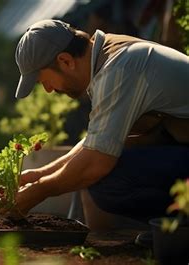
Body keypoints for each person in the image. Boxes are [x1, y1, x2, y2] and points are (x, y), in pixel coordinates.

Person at [10, 19, 189, 230]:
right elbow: (95, 143)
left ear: (66, 61)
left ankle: (175, 231)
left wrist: (38, 191)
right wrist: (38, 175)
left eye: (43, 81)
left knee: (105, 182)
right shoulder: (109, 55)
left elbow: (97, 162)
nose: (48, 90)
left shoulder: (118, 69)